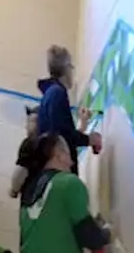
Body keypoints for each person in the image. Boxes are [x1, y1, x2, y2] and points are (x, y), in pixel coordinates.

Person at [37, 45, 101, 176]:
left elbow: (62, 135)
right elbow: (63, 136)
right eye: (71, 67)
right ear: (66, 68)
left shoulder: (51, 94)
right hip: (59, 173)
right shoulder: (57, 93)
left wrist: (82, 125)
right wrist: (90, 140)